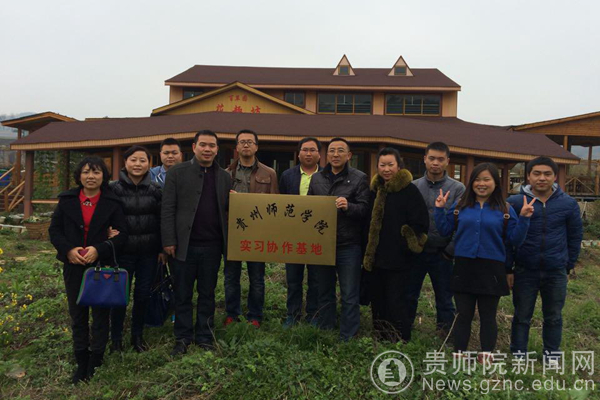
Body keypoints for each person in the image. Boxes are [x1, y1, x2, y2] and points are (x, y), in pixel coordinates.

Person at [434, 162, 533, 363]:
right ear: (471, 183)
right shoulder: (460, 206)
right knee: (463, 314)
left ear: (495, 183)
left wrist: (524, 218)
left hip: (492, 268)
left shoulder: (505, 209)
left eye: (487, 179)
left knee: (488, 315)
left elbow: (515, 240)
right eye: (477, 180)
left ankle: (486, 354)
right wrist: (439, 210)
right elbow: (444, 230)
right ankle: (459, 354)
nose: (481, 184)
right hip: (464, 266)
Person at [49, 157, 128, 384]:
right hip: (74, 265)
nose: (90, 176)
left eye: (96, 172)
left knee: (101, 315)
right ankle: (81, 360)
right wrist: (68, 250)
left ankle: (96, 359)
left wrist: (99, 249)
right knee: (78, 315)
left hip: (100, 267)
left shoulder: (112, 202)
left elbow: (123, 234)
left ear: (104, 176)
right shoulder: (67, 200)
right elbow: (54, 231)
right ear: (79, 176)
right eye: (86, 172)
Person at [161, 130, 232, 355]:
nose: (207, 149)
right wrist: (169, 240)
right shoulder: (177, 172)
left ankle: (205, 336)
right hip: (184, 246)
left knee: (207, 294)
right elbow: (167, 208)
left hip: (212, 246)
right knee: (182, 294)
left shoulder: (224, 177)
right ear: (194, 147)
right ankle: (182, 337)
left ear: (217, 149)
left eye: (212, 146)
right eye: (203, 145)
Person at [507, 157, 582, 365]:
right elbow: (507, 239)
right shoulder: (515, 202)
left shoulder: (568, 204)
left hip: (555, 270)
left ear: (554, 177)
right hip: (525, 269)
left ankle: (551, 356)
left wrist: (568, 263)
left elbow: (575, 236)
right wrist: (508, 268)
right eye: (537, 173)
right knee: (522, 315)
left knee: (554, 316)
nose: (542, 178)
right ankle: (519, 355)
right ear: (528, 176)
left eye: (547, 174)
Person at [363, 148, 429, 342]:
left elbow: (421, 223)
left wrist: (406, 242)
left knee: (397, 301)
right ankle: (380, 335)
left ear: (399, 166)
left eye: (390, 165)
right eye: (382, 165)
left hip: (400, 259)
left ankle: (399, 338)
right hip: (376, 257)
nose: (386, 169)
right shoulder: (374, 190)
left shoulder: (409, 190)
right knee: (378, 300)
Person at [307, 137, 370, 341]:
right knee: (324, 290)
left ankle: (348, 335)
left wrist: (348, 206)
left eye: (340, 150)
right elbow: (308, 208)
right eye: (332, 151)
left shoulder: (359, 178)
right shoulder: (317, 178)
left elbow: (365, 209)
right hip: (323, 243)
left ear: (349, 155)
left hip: (348, 244)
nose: (335, 154)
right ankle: (326, 328)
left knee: (349, 293)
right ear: (326, 155)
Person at [108, 146, 163, 353]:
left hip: (148, 253)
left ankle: (137, 336)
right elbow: (104, 215)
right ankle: (116, 339)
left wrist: (162, 249)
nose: (138, 164)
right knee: (119, 296)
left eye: (142, 160)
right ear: (125, 163)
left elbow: (161, 221)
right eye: (133, 160)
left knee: (142, 295)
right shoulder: (113, 189)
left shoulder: (156, 190)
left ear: (149, 163)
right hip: (122, 252)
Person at [224, 129, 279, 328]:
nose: (246, 145)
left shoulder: (269, 173)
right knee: (231, 277)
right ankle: (232, 314)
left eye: (250, 142)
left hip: (258, 233)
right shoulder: (226, 173)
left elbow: (275, 204)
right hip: (233, 233)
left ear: (256, 146)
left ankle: (255, 316)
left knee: (257, 278)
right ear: (236, 147)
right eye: (242, 142)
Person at [409, 142, 465, 335]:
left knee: (445, 298)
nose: (435, 163)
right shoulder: (414, 186)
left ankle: (445, 336)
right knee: (410, 294)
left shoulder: (458, 189)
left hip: (443, 253)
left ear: (447, 161)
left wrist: (450, 250)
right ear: (425, 159)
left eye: (440, 159)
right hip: (417, 252)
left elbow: (462, 222)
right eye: (431, 158)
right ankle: (404, 332)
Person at [279, 137, 322, 327]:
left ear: (319, 154)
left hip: (317, 235)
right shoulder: (287, 175)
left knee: (316, 279)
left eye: (313, 150)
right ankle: (292, 314)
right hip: (293, 234)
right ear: (298, 154)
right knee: (293, 278)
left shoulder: (326, 176)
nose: (308, 153)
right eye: (305, 150)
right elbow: (281, 203)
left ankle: (313, 314)